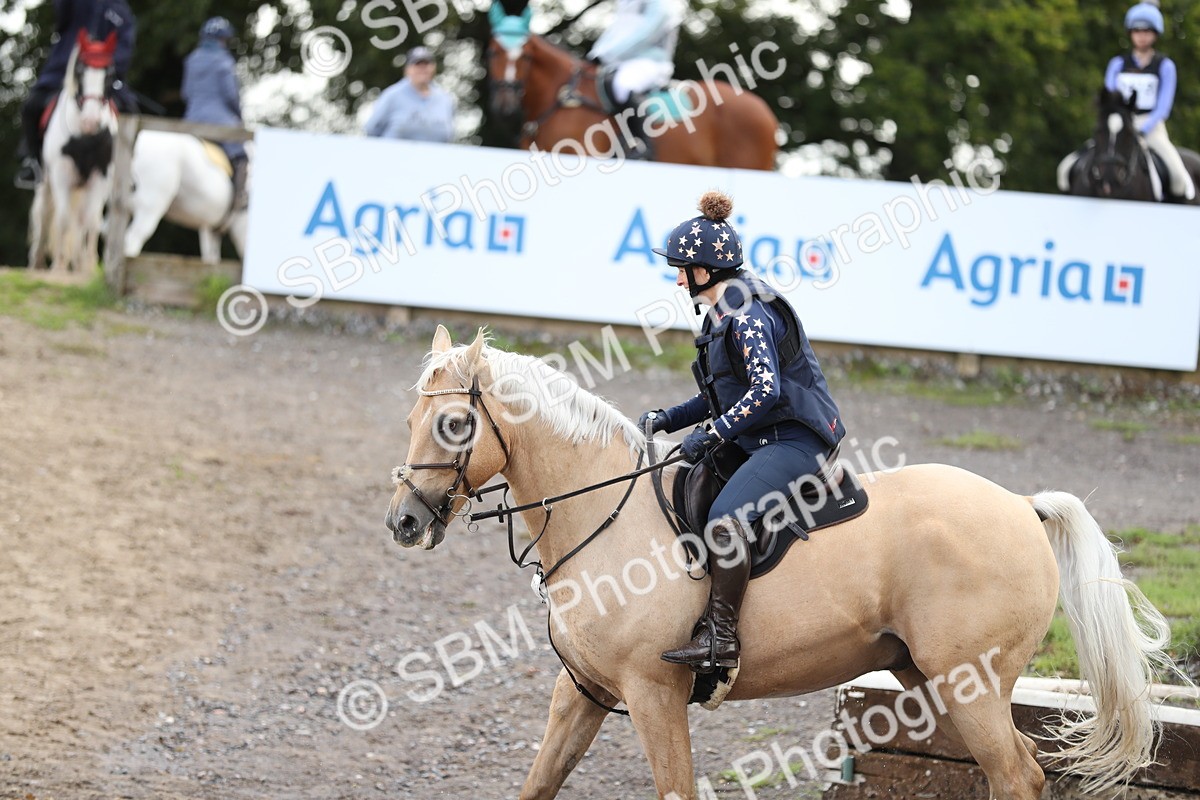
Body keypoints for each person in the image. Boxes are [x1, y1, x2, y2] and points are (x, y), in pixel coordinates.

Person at [641, 191, 846, 673]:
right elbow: (724, 398)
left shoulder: (748, 314)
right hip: (759, 435)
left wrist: (711, 434)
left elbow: (766, 391)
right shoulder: (722, 313)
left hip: (797, 440)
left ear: (706, 270)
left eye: (682, 268)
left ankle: (722, 637)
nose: (676, 278)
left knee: (724, 520)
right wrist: (669, 419)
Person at [15, 0, 137, 189]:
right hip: (62, 73)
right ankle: (33, 162)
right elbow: (62, 16)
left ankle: (127, 169)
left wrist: (102, 66)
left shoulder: (123, 13)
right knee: (31, 107)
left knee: (131, 113)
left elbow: (124, 49)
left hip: (102, 79)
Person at [1104, 2, 1195, 200]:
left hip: (1150, 126)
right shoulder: (1117, 64)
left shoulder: (1164, 66)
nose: (1142, 35)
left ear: (1155, 34)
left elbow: (1163, 107)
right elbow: (1109, 102)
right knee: (1070, 168)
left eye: (1147, 31)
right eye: (1137, 30)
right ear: (1130, 33)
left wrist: (1142, 130)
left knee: (1180, 180)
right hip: (1118, 125)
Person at [588, 0, 681, 160]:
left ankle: (642, 145)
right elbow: (618, 28)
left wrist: (608, 53)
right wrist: (594, 53)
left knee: (622, 85)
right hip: (621, 60)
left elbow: (649, 31)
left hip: (651, 61)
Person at [182, 17, 248, 209]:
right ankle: (239, 198)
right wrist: (239, 116)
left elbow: (186, 93)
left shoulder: (192, 59)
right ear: (223, 39)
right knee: (241, 155)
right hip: (219, 121)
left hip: (190, 120)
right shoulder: (224, 62)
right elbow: (231, 96)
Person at [364, 46, 456, 143]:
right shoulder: (392, 95)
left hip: (434, 157)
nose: (422, 68)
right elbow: (372, 130)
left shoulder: (445, 99)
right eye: (417, 64)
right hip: (395, 156)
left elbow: (449, 134)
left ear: (434, 68)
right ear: (407, 69)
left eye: (426, 64)